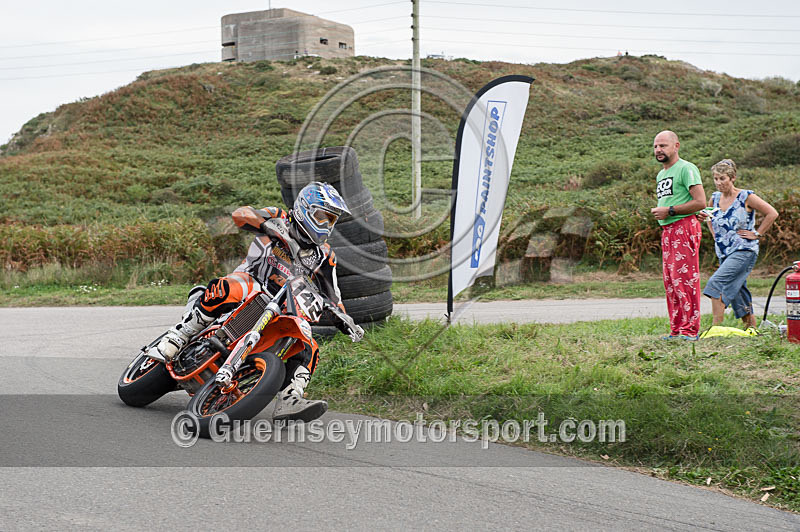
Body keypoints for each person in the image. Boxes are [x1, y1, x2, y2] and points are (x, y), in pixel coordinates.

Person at [147, 181, 363, 422]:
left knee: (309, 344)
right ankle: (180, 335)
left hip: (283, 306)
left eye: (331, 220)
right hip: (251, 283)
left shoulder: (324, 255)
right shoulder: (280, 217)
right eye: (322, 217)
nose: (326, 225)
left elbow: (333, 295)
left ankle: (291, 397)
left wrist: (344, 318)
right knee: (229, 287)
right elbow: (241, 214)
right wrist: (268, 227)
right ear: (304, 209)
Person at [699, 159, 778, 329]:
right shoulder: (714, 198)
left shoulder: (746, 196)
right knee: (738, 291)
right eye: (715, 179)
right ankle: (752, 329)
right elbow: (708, 217)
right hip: (724, 252)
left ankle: (716, 330)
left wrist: (757, 233)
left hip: (744, 250)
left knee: (716, 284)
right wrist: (714, 235)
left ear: (732, 178)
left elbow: (772, 213)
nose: (718, 183)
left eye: (722, 179)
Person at [650, 131, 707, 340]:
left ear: (676, 146)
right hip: (668, 230)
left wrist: (670, 210)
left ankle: (690, 330)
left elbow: (700, 202)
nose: (658, 150)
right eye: (656, 146)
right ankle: (677, 329)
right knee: (671, 281)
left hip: (683, 227)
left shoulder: (686, 168)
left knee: (685, 279)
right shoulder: (661, 174)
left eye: (663, 146)